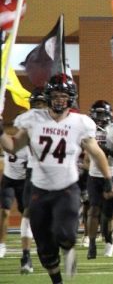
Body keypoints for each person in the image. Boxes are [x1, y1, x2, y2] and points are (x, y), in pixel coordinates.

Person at [0, 74, 113, 284]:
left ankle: (68, 248)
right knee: (44, 247)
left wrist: (108, 180)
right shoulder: (33, 120)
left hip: (66, 188)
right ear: (48, 97)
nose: (59, 100)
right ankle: (57, 281)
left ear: (71, 98)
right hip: (39, 189)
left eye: (64, 95)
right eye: (55, 95)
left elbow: (96, 152)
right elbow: (12, 147)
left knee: (65, 235)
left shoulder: (80, 122)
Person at [0, 92, 44, 273]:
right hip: (10, 179)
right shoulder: (12, 137)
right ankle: (2, 245)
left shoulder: (35, 139)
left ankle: (29, 252)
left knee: (29, 216)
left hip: (27, 179)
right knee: (4, 212)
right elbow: (8, 148)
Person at [85, 100, 113, 259]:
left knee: (111, 211)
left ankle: (112, 235)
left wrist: (108, 151)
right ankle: (92, 243)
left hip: (112, 173)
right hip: (93, 175)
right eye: (97, 115)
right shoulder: (87, 129)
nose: (100, 119)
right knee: (94, 210)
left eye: (103, 115)